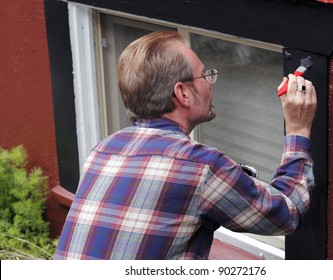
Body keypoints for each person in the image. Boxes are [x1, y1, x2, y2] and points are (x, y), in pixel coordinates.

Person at [54, 31, 317, 260]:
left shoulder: (104, 149)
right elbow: (287, 213)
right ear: (183, 93)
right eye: (205, 75)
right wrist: (298, 128)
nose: (211, 84)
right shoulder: (199, 166)